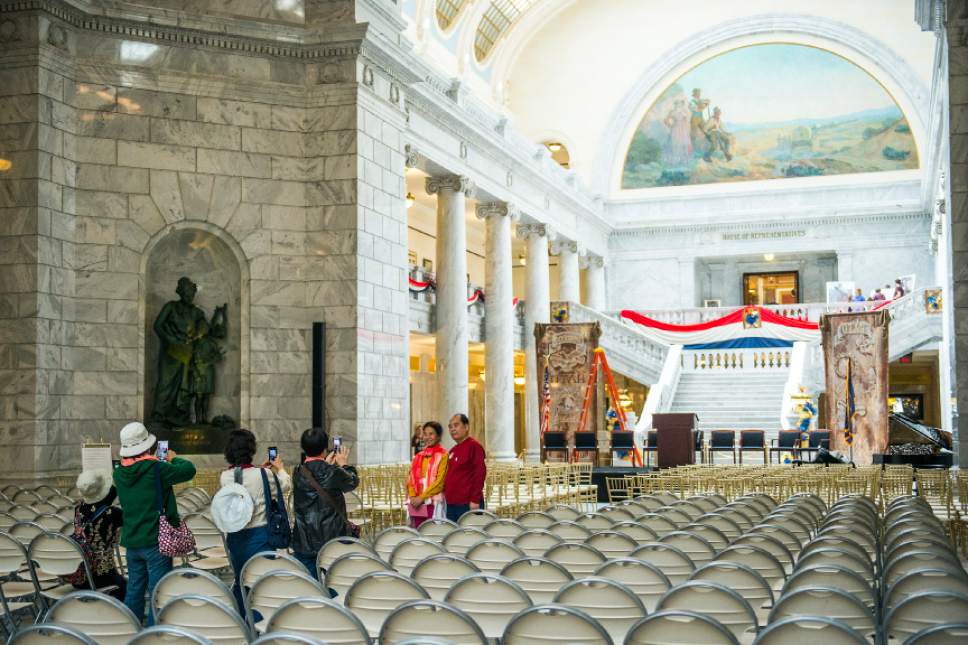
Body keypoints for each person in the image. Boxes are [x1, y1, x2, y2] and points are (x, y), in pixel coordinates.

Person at [113, 422, 196, 626]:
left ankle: (129, 630)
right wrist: (173, 458)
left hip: (132, 541)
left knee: (134, 590)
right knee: (158, 592)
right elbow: (189, 470)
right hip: (157, 541)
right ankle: (153, 634)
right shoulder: (157, 468)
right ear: (148, 446)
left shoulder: (118, 473)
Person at [217, 428, 291, 612]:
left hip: (235, 537)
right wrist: (279, 469)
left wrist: (261, 470)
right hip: (261, 536)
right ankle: (261, 624)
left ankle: (243, 621)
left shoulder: (225, 477)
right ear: (251, 450)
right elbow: (285, 485)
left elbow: (243, 479)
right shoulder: (264, 475)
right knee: (262, 585)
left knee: (242, 581)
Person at [291, 428, 359, 582]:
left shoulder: (297, 472)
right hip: (332, 539)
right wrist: (344, 465)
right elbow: (352, 482)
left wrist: (325, 464)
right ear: (324, 448)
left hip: (304, 539)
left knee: (310, 585)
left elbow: (316, 472)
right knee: (335, 583)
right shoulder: (332, 472)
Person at [69, 470, 126, 600]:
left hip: (80, 576)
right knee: (126, 588)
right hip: (105, 578)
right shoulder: (113, 512)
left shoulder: (78, 509)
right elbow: (113, 493)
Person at [443, 414, 486, 523]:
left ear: (466, 427)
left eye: (456, 425)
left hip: (468, 503)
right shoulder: (453, 450)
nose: (452, 429)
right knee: (453, 537)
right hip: (451, 502)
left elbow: (480, 474)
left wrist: (475, 500)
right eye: (450, 426)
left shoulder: (474, 446)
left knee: (469, 537)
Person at [406, 422, 448, 528]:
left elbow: (440, 482)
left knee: (431, 534)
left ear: (438, 436)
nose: (427, 437)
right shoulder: (418, 456)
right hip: (416, 503)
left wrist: (421, 498)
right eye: (425, 434)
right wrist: (412, 497)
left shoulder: (443, 455)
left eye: (431, 434)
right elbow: (411, 479)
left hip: (433, 502)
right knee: (418, 533)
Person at [663, 99, 693, 166]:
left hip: (684, 130)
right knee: (675, 143)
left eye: (680, 104)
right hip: (676, 129)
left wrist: (687, 129)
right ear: (675, 105)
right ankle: (675, 160)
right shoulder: (672, 112)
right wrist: (670, 125)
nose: (679, 105)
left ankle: (683, 160)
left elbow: (687, 121)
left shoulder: (684, 112)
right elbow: (665, 120)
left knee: (684, 144)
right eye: (677, 104)